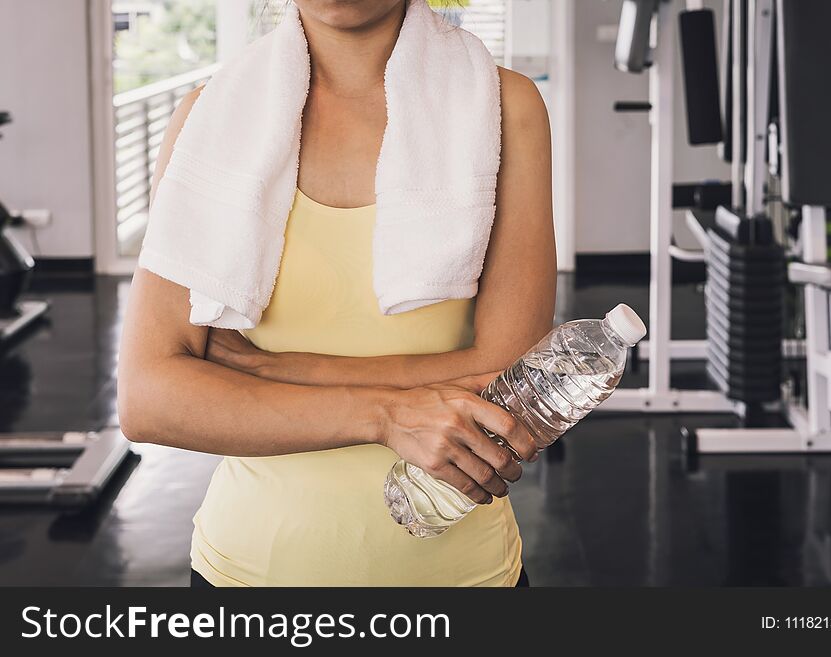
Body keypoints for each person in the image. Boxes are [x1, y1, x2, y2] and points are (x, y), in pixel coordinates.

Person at [118, 0, 555, 587]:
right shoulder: (208, 121)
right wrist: (385, 415)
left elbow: (510, 382)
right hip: (246, 575)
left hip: (463, 577)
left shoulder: (505, 106)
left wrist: (263, 372)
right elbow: (149, 399)